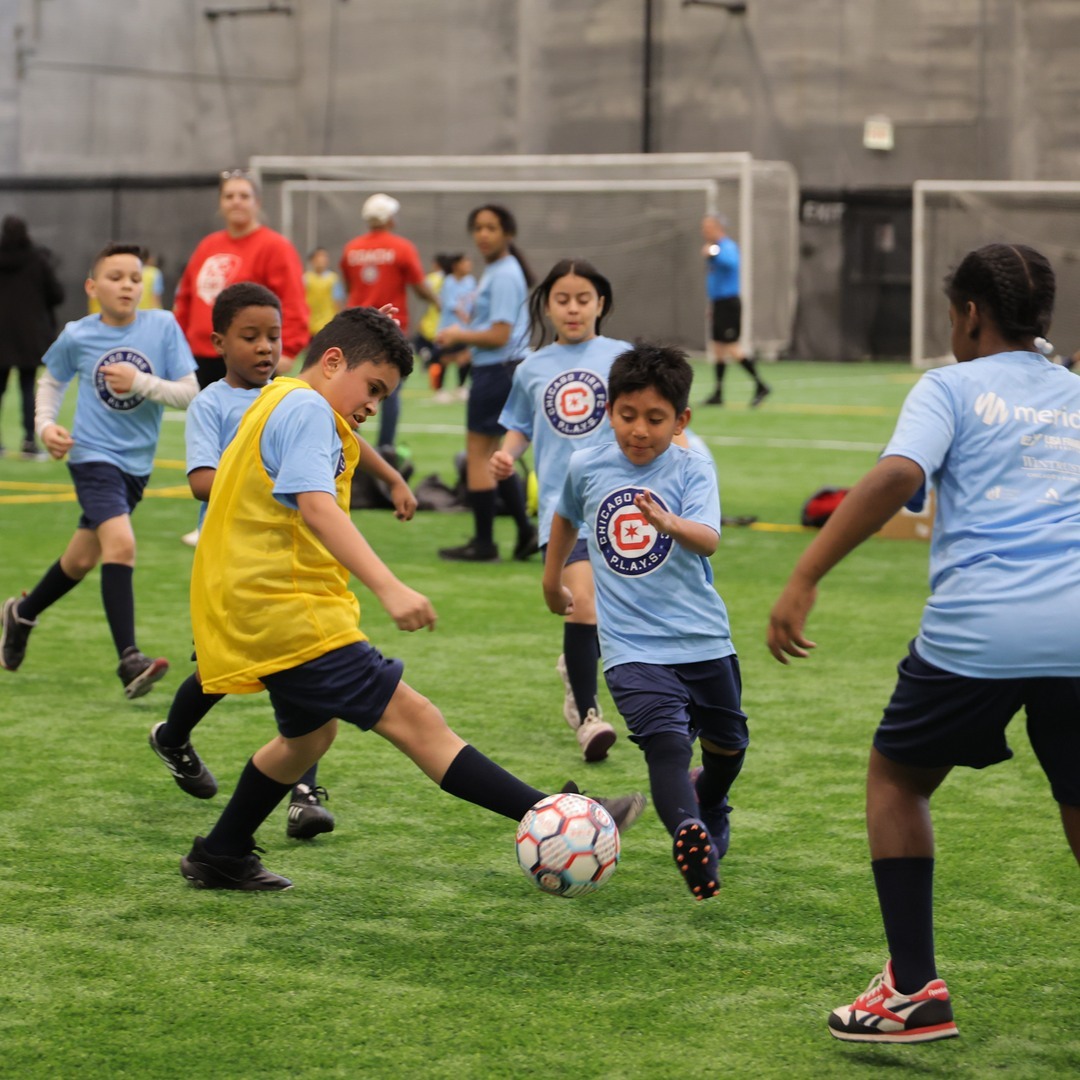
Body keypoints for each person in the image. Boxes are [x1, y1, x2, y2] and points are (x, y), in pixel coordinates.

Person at [177, 305, 645, 890]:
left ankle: (221, 852)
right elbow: (317, 507)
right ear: (331, 362)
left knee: (310, 737)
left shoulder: (279, 398)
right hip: (285, 610)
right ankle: (553, 812)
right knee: (415, 718)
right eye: (372, 388)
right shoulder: (304, 409)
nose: (374, 405)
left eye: (384, 394)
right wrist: (389, 586)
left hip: (257, 603)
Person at [767, 243, 1080, 1043]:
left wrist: (805, 575)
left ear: (970, 315)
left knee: (896, 780)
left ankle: (911, 989)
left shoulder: (949, 386)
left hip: (981, 631)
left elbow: (894, 476)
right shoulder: (1073, 391)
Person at [149, 283, 420, 842]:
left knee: (308, 714)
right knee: (217, 674)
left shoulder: (292, 395)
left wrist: (390, 474)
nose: (266, 347)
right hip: (244, 570)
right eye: (251, 337)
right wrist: (258, 474)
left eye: (274, 335)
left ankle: (281, 808)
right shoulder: (225, 404)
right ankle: (174, 736)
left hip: (284, 575)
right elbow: (204, 480)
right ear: (219, 342)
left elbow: (341, 429)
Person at [543, 343, 749, 900]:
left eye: (655, 419)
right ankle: (688, 833)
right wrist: (552, 578)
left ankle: (710, 804)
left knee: (729, 745)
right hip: (633, 647)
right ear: (609, 410)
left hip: (702, 637)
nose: (639, 430)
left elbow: (710, 538)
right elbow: (564, 517)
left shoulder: (691, 467)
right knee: (666, 745)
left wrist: (669, 522)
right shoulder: (587, 465)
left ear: (680, 420)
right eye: (627, 415)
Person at [0, 243, 198, 696]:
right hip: (91, 457)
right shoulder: (78, 334)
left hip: (136, 466)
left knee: (82, 558)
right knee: (121, 545)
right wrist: (45, 425)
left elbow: (190, 393)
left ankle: (22, 614)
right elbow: (51, 380)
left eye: (134, 277)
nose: (127, 285)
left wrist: (141, 383)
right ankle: (130, 659)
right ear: (93, 287)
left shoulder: (163, 327)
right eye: (116, 277)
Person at [492, 258, 628, 762]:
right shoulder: (532, 367)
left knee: (614, 614)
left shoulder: (622, 357)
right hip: (561, 507)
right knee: (583, 604)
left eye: (583, 299)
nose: (572, 309)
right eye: (562, 300)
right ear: (547, 305)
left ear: (601, 304)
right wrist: (507, 455)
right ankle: (589, 716)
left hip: (621, 504)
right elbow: (520, 425)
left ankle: (577, 668)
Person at [435, 205, 538, 562]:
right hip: (500, 369)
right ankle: (525, 532)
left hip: (500, 371)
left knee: (479, 454)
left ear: (507, 233)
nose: (483, 234)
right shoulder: (499, 270)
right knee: (497, 455)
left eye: (491, 227)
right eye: (478, 227)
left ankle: (484, 543)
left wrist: (458, 334)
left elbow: (500, 334)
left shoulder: (505, 273)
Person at [173, 169, 309, 390]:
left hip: (251, 358)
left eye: (244, 196)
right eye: (229, 196)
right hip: (201, 357)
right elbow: (186, 298)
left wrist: (289, 350)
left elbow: (293, 302)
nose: (236, 202)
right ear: (220, 203)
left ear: (257, 202)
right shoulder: (208, 245)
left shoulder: (275, 247)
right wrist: (177, 347)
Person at [339, 193, 440, 450]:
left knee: (351, 386)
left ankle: (345, 441)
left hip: (356, 328)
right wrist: (439, 303)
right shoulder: (402, 248)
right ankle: (386, 448)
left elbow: (350, 286)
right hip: (391, 329)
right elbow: (420, 287)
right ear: (390, 219)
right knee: (390, 390)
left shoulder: (351, 249)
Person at [0, 215, 64, 458]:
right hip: (29, 337)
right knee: (28, 389)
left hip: (1, 337)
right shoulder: (38, 260)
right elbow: (56, 295)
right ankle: (29, 441)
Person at [700, 214, 769, 408]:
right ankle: (718, 393)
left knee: (732, 347)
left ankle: (760, 384)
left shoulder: (726, 246)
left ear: (717, 228)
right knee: (718, 349)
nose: (704, 231)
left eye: (707, 227)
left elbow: (731, 263)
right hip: (719, 304)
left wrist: (713, 253)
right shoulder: (715, 248)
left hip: (729, 303)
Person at [431, 252, 476, 403]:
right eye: (465, 263)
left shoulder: (470, 281)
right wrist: (464, 316)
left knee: (466, 357)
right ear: (456, 266)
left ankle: (461, 387)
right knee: (443, 359)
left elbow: (474, 301)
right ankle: (440, 390)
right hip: (448, 328)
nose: (469, 266)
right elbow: (450, 304)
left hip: (464, 329)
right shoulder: (449, 282)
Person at [303, 247, 344, 337]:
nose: (321, 260)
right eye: (318, 257)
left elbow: (338, 302)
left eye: (324, 257)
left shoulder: (333, 279)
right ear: (312, 260)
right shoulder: (305, 279)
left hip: (328, 323)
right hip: (309, 325)